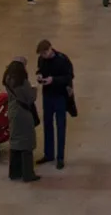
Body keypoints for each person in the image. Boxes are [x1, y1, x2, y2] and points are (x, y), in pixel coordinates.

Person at [36, 40, 75, 169]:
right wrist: (39, 75)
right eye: (41, 54)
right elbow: (39, 70)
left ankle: (60, 157)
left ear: (50, 49)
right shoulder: (41, 60)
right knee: (47, 125)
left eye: (44, 53)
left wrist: (53, 80)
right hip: (47, 96)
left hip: (60, 97)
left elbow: (69, 77)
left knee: (60, 126)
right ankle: (49, 154)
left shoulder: (62, 60)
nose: (43, 56)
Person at [3, 60, 42, 182]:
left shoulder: (8, 79)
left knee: (15, 142)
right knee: (26, 143)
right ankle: (28, 174)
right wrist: (34, 89)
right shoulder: (22, 81)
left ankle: (14, 172)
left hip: (13, 110)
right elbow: (30, 98)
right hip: (23, 113)